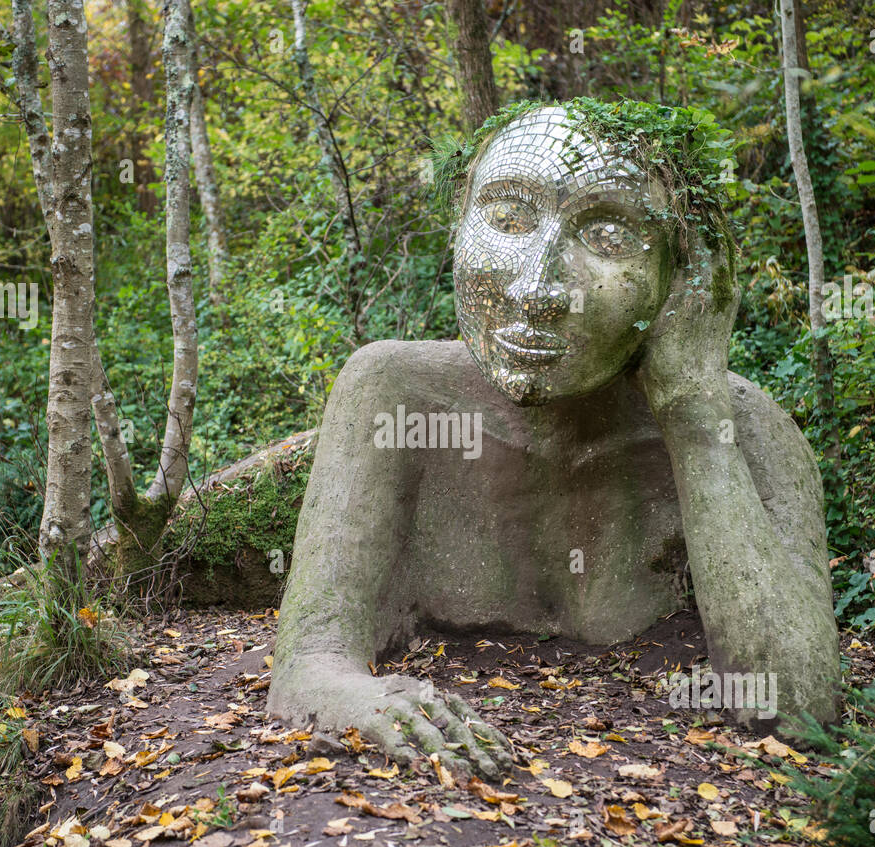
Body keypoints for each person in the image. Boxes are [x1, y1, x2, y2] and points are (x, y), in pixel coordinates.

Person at [267, 102, 839, 779]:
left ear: (681, 277)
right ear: (460, 221)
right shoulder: (391, 392)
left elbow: (798, 702)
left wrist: (692, 412)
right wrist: (362, 700)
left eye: (605, 235)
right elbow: (307, 663)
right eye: (507, 218)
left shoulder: (742, 427)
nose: (537, 289)